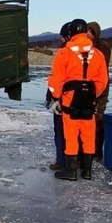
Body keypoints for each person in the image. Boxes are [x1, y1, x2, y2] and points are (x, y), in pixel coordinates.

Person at [47, 19, 109, 181]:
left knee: (71, 135)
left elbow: (56, 79)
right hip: (89, 99)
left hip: (70, 99)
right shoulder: (98, 54)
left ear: (70, 33)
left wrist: (56, 99)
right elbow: (103, 80)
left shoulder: (64, 53)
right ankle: (87, 172)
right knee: (88, 134)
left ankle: (70, 171)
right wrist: (93, 94)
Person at [46, 23, 71, 171]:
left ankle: (62, 161)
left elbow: (56, 79)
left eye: (62, 36)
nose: (61, 39)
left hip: (63, 100)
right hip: (83, 101)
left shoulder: (63, 54)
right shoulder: (91, 53)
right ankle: (80, 163)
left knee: (61, 132)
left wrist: (53, 98)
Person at [87, 21, 112, 159]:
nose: (88, 34)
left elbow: (100, 68)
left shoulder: (103, 47)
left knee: (98, 120)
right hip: (87, 91)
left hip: (100, 90)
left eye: (90, 32)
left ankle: (97, 152)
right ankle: (87, 151)